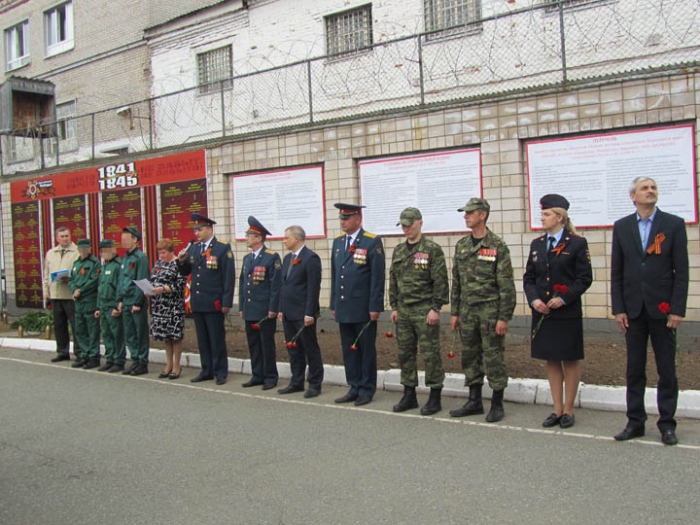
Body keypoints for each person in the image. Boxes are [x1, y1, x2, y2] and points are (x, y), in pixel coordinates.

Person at [611, 177, 688, 446]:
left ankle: (667, 424)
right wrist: (618, 308)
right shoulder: (622, 227)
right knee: (634, 368)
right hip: (633, 309)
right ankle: (635, 421)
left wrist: (677, 308)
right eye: (645, 188)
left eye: (653, 188)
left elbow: (682, 271)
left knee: (666, 369)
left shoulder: (673, 225)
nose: (651, 191)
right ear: (634, 197)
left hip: (663, 309)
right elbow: (617, 272)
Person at [523, 195, 592, 429]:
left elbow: (584, 278)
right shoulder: (537, 244)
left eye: (546, 214)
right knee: (551, 358)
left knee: (569, 358)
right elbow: (529, 278)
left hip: (566, 311)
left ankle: (569, 410)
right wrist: (533, 300)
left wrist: (564, 298)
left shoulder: (577, 243)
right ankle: (556, 408)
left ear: (559, 217)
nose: (542, 218)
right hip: (543, 312)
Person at [449, 198, 516, 423]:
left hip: (490, 312)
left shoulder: (497, 246)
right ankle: (474, 400)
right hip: (467, 312)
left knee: (493, 356)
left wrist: (503, 317)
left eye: (470, 213)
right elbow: (456, 282)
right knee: (470, 356)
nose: (465, 216)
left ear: (483, 215)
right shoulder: (462, 245)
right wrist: (455, 312)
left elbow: (506, 285)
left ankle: (497, 403)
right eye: (465, 212)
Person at [389, 208, 448, 415]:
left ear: (420, 223)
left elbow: (440, 281)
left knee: (431, 354)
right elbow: (393, 280)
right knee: (405, 353)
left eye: (410, 224)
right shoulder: (398, 250)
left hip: (425, 310)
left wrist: (436, 308)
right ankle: (409, 394)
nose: (406, 229)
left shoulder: (432, 249)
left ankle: (435, 396)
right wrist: (394, 306)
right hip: (404, 311)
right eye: (403, 225)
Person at [330, 203, 385, 406]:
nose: (343, 221)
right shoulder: (338, 243)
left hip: (363, 308)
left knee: (366, 349)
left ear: (358, 219)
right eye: (341, 218)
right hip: (344, 306)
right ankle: (353, 386)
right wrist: (333, 303)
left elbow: (377, 278)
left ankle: (367, 388)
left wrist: (375, 306)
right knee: (349, 349)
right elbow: (336, 275)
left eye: (347, 218)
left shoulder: (371, 242)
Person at [177, 213, 236, 385]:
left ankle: (220, 372)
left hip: (214, 301)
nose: (197, 232)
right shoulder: (194, 248)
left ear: (210, 229)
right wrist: (181, 261)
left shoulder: (222, 248)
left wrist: (226, 302)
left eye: (200, 229)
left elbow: (228, 277)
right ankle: (206, 370)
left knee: (216, 338)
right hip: (198, 301)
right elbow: (188, 271)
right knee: (202, 339)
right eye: (195, 229)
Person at [277, 225, 323, 398]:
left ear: (297, 238)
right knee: (293, 349)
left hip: (303, 313)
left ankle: (315, 383)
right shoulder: (288, 258)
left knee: (310, 348)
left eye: (286, 238)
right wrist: (281, 309)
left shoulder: (310, 258)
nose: (284, 241)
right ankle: (296, 382)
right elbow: (284, 286)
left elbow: (313, 287)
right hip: (289, 312)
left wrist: (310, 313)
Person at [239, 217, 281, 390]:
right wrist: (241, 306)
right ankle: (257, 374)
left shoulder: (271, 257)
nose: (246, 238)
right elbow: (242, 284)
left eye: (249, 235)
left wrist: (273, 308)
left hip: (264, 309)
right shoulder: (247, 258)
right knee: (253, 343)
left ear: (258, 238)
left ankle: (270, 376)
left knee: (266, 344)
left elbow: (275, 285)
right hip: (250, 308)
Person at [150, 239, 187, 380]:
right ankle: (168, 364)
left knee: (175, 336)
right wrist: (150, 288)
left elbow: (180, 285)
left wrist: (164, 289)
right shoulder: (159, 263)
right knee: (165, 336)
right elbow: (153, 278)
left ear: (171, 251)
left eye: (164, 252)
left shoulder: (178, 264)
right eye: (159, 252)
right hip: (160, 306)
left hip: (173, 306)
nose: (161, 255)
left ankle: (177, 366)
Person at [43, 227, 80, 362]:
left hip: (70, 295)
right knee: (59, 326)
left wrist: (69, 278)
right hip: (55, 295)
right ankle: (62, 351)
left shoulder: (77, 252)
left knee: (76, 325)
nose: (65, 238)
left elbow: (80, 273)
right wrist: (46, 293)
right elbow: (46, 274)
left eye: (67, 236)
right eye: (62, 236)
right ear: (57, 238)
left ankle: (79, 352)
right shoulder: (51, 253)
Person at [117, 227, 150, 376]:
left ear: (135, 240)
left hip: (136, 302)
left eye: (126, 238)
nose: (123, 241)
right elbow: (121, 280)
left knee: (140, 332)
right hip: (125, 301)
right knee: (129, 333)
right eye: (122, 238)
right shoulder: (124, 258)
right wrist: (119, 299)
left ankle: (142, 362)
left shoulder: (140, 257)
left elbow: (141, 280)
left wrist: (137, 302)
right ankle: (135, 360)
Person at [69, 239, 102, 369]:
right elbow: (71, 279)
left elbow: (94, 280)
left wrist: (81, 290)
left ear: (90, 249)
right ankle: (84, 355)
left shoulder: (94, 263)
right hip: (79, 302)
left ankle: (93, 356)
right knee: (80, 330)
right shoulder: (76, 263)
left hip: (89, 300)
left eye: (85, 249)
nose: (82, 251)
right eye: (80, 249)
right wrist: (73, 289)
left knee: (92, 330)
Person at [95, 239, 126, 373]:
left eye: (108, 250)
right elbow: (100, 288)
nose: (105, 253)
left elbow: (120, 287)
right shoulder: (104, 267)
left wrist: (117, 305)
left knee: (117, 334)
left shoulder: (118, 266)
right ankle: (110, 359)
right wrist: (97, 307)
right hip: (103, 305)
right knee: (107, 334)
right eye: (102, 251)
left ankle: (119, 360)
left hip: (113, 305)